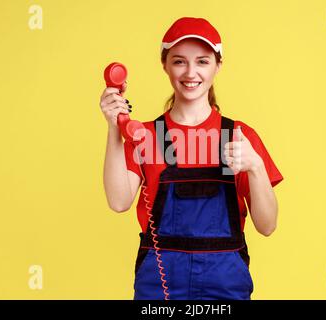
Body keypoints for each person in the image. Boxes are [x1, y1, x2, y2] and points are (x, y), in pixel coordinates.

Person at [99, 17, 284, 300]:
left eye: (202, 61)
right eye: (179, 61)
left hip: (225, 287)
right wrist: (115, 127)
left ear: (218, 65)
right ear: (165, 64)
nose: (190, 72)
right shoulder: (146, 135)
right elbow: (118, 202)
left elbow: (267, 226)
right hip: (160, 288)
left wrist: (256, 166)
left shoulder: (239, 136)